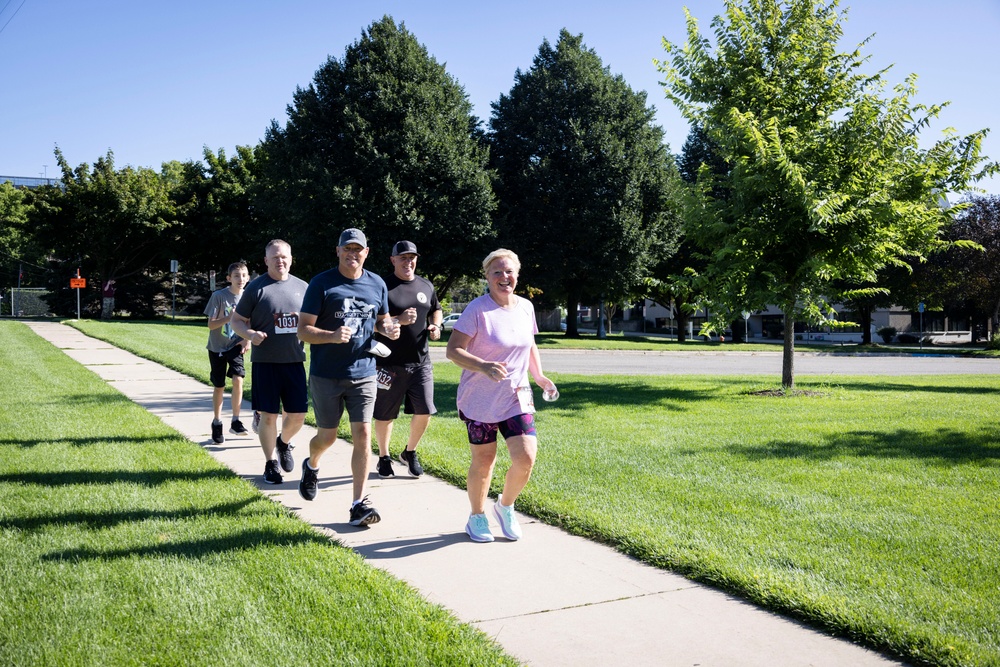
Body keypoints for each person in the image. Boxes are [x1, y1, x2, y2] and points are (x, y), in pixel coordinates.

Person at [445, 248, 556, 543]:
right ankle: (477, 516)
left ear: (517, 275)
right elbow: (452, 350)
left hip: (516, 396)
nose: (504, 277)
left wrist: (539, 376)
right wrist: (482, 366)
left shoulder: (525, 308)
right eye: (497, 272)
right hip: (479, 399)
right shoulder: (477, 310)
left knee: (526, 457)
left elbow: (528, 344)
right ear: (487, 276)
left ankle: (505, 506)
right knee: (484, 461)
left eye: (509, 272)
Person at [296, 228, 400, 527]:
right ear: (338, 251)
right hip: (327, 374)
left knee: (363, 435)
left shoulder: (377, 283)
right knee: (326, 436)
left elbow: (380, 321)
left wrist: (390, 328)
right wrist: (330, 335)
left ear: (366, 253)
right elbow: (303, 329)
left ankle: (358, 503)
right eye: (347, 249)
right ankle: (312, 464)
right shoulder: (322, 283)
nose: (353, 254)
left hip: (364, 372)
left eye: (359, 249)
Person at [230, 240, 308, 485]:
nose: (280, 261)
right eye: (274, 257)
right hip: (266, 363)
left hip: (295, 361)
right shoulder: (256, 288)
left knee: (297, 416)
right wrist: (250, 335)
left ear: (291, 258)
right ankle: (270, 463)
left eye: (284, 256)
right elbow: (237, 321)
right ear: (266, 261)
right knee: (269, 416)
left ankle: (283, 443)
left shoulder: (304, 288)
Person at [372, 240, 443, 479]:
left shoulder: (425, 285)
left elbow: (436, 308)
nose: (408, 261)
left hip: (421, 362)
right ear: (393, 260)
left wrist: (435, 324)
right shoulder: (382, 286)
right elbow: (371, 323)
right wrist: (398, 319)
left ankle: (410, 452)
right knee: (384, 415)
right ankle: (383, 457)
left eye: (411, 257)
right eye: (402, 257)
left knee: (425, 411)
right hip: (387, 364)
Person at [204, 260, 251, 443]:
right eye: (237, 276)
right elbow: (211, 324)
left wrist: (246, 339)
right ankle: (217, 423)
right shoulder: (219, 296)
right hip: (217, 347)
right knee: (219, 386)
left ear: (248, 278)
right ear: (229, 278)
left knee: (238, 379)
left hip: (236, 346)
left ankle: (236, 420)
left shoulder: (249, 297)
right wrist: (229, 317)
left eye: (244, 275)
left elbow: (250, 322)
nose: (241, 279)